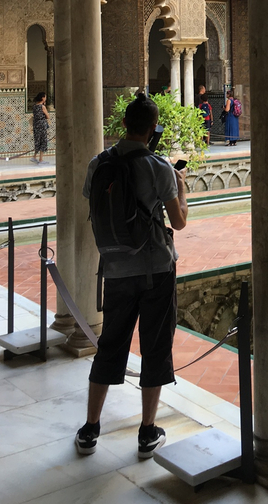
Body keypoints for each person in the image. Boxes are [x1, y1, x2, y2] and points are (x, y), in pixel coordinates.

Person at [75, 93, 188, 460]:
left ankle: (91, 428)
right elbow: (179, 221)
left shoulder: (98, 163)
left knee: (111, 342)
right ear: (153, 128)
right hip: (155, 269)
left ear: (124, 124)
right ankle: (147, 431)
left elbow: (91, 203)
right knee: (155, 345)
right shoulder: (159, 167)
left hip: (115, 269)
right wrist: (179, 182)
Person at [31, 92, 49, 163]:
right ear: (42, 98)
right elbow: (48, 116)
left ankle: (34, 156)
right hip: (42, 125)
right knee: (43, 141)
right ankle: (41, 159)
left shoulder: (34, 106)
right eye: (45, 97)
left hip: (36, 125)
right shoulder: (42, 107)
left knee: (37, 140)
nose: (46, 98)